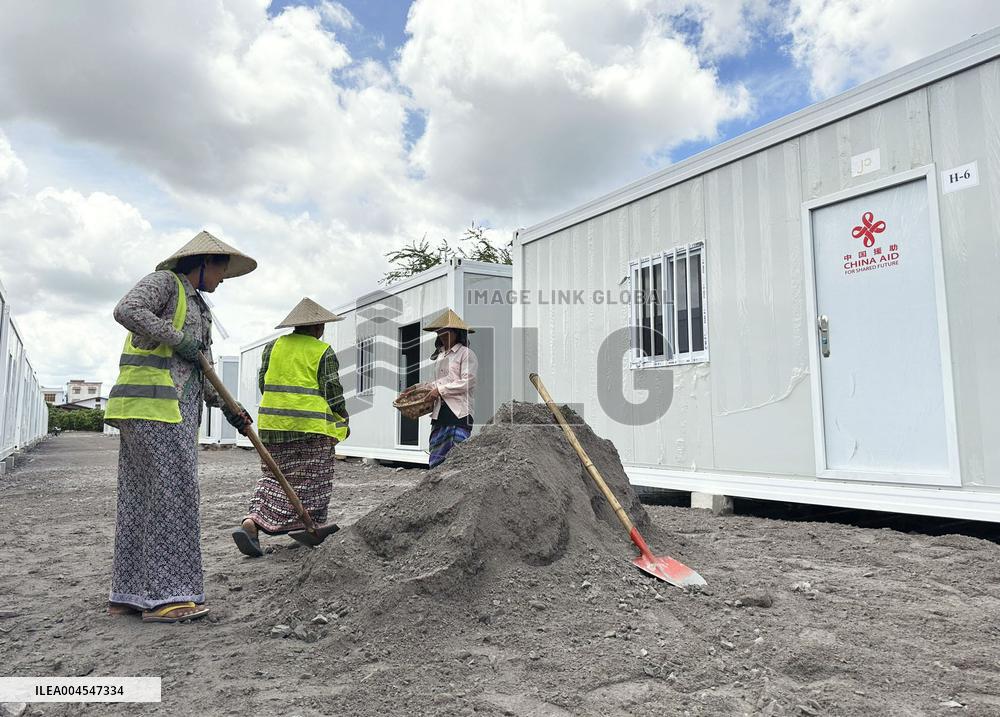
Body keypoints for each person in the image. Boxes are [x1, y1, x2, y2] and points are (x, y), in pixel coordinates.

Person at [105, 231, 256, 623]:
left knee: (143, 496)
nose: (223, 277)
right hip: (156, 409)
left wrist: (230, 409)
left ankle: (129, 594)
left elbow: (201, 372)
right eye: (221, 268)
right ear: (202, 262)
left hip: (164, 410)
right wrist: (179, 340)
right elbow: (126, 310)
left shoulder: (199, 308)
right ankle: (167, 599)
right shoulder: (166, 284)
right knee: (174, 497)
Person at [231, 298, 349, 557]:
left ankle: (252, 522)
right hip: (310, 428)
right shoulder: (322, 350)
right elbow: (332, 391)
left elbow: (264, 383)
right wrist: (343, 416)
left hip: (272, 425)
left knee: (274, 477)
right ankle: (310, 526)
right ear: (318, 326)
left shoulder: (272, 347)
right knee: (314, 480)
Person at [423, 309, 477, 468]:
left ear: (456, 333)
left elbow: (468, 381)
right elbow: (438, 382)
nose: (442, 335)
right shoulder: (441, 356)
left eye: (446, 331)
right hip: (440, 412)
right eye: (440, 332)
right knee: (437, 455)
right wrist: (423, 390)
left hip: (459, 413)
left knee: (457, 458)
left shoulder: (466, 354)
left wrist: (440, 390)